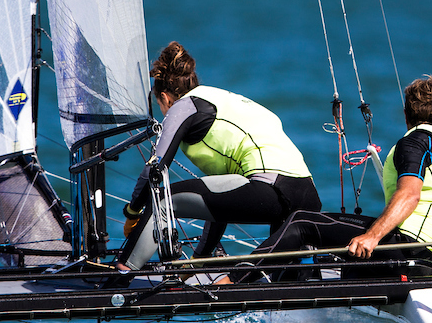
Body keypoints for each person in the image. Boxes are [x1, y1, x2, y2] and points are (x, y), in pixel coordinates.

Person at [224, 75, 432, 282]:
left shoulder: (416, 140)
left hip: (411, 252)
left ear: (406, 114)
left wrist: (373, 236)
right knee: (343, 255)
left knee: (302, 221)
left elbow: (410, 194)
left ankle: (231, 281)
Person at [115, 41, 321, 271]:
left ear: (165, 97)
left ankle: (122, 274)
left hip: (273, 190)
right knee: (290, 281)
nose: (165, 113)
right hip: (308, 196)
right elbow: (221, 200)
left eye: (161, 105)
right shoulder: (222, 99)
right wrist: (198, 261)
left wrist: (132, 213)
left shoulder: (184, 106)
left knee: (162, 201)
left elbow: (155, 169)